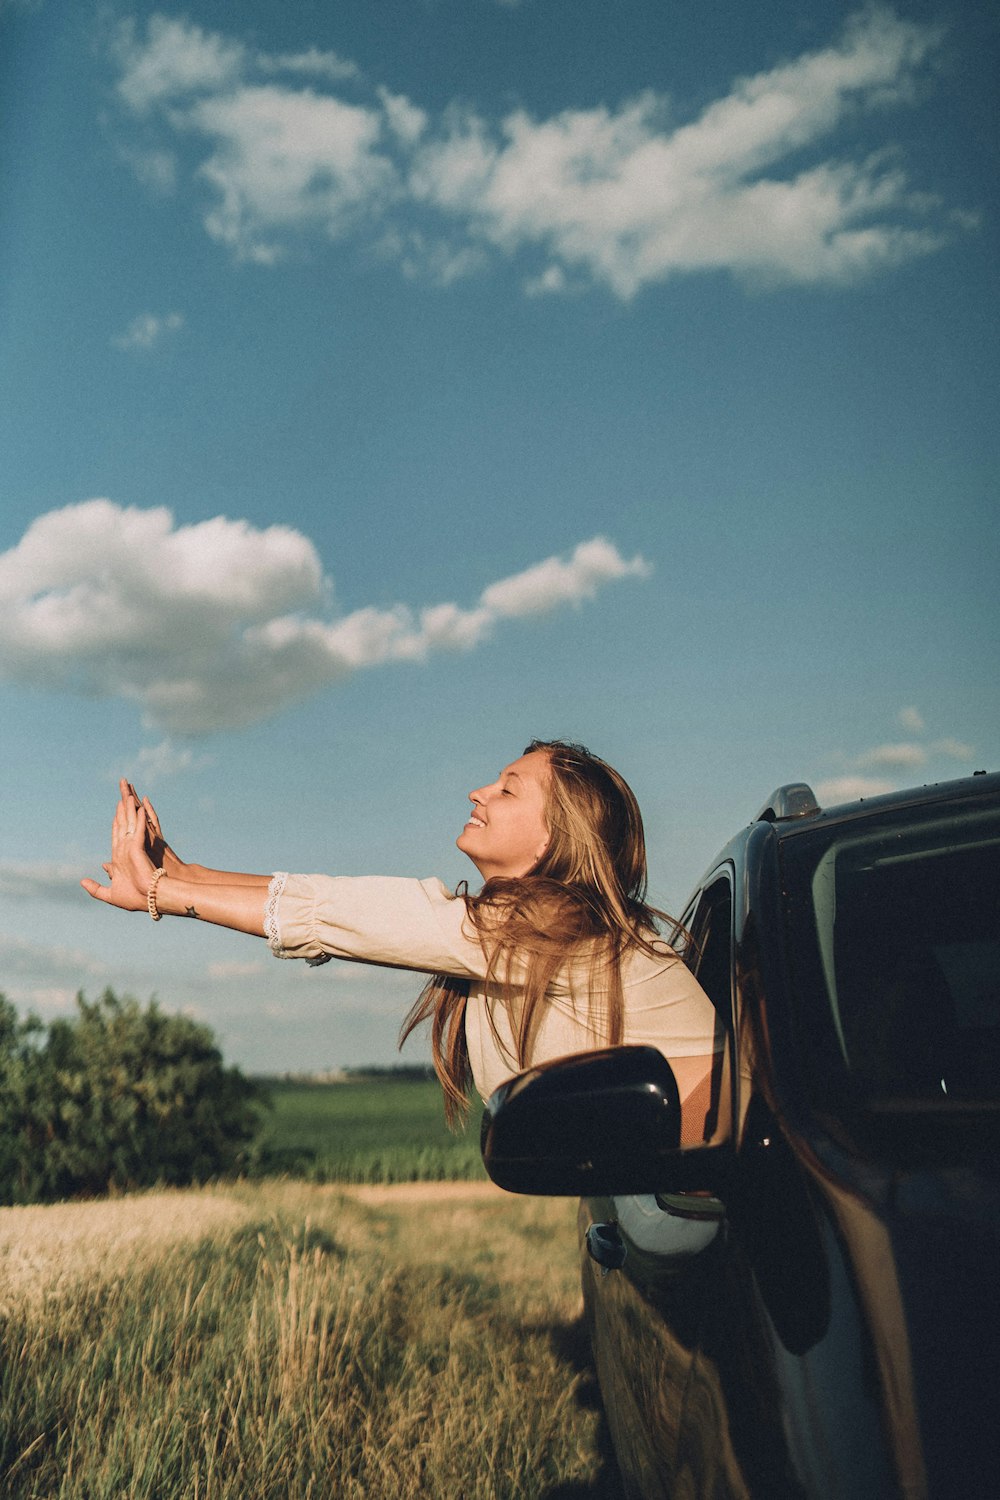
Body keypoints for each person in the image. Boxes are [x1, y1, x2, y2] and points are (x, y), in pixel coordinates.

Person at [82, 740, 723, 1142]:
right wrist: (180, 874)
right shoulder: (538, 935)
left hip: (759, 1197)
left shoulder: (567, 934)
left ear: (553, 838)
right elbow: (331, 905)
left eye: (507, 787)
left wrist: (163, 893)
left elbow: (348, 913)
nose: (479, 791)